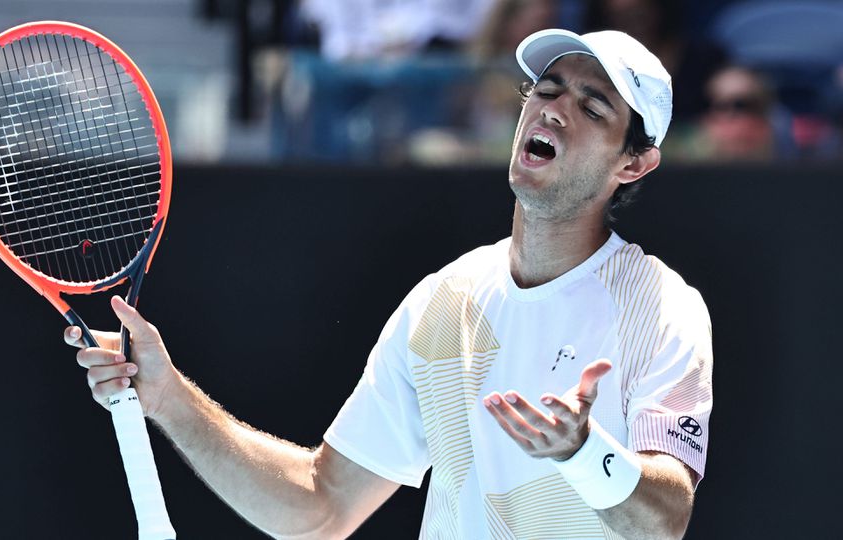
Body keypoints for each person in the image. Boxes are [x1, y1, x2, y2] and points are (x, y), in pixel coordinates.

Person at [67, 28, 713, 539]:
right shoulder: (443, 300)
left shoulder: (660, 308)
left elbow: (664, 518)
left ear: (635, 162)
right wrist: (171, 399)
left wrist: (580, 454)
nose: (554, 111)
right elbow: (322, 509)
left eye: (592, 106)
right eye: (547, 89)